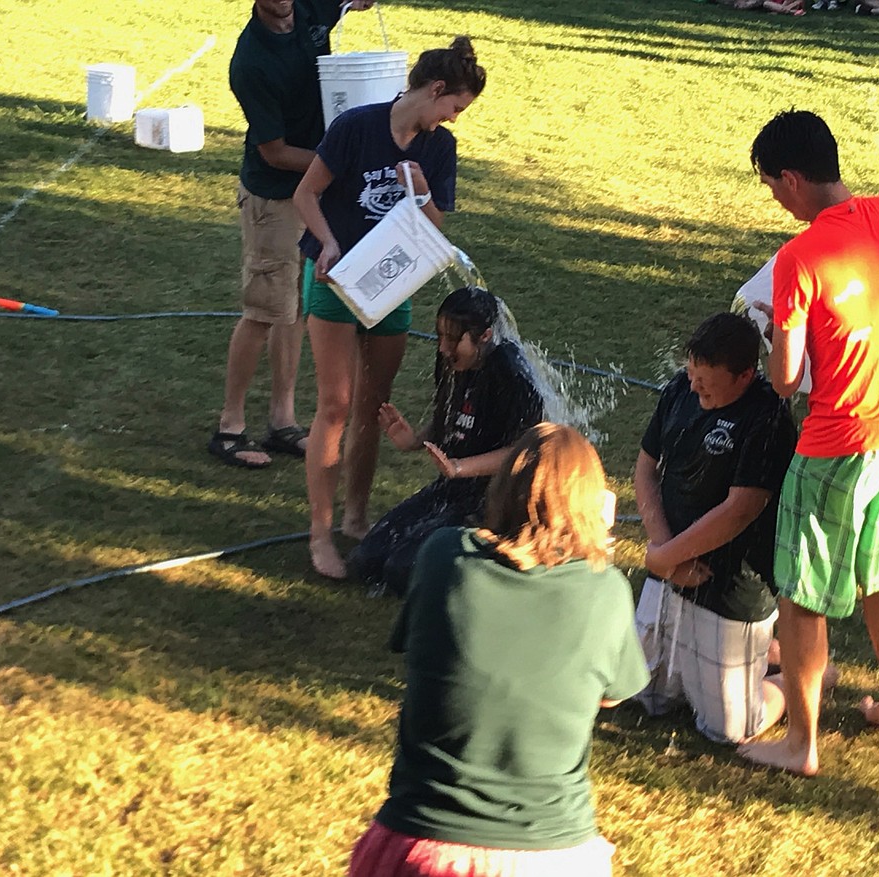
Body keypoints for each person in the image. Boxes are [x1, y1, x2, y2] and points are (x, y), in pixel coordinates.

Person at [739, 110, 879, 776]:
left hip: (839, 439)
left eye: (773, 187)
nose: (776, 201)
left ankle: (799, 743)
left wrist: (779, 325)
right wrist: (877, 287)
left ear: (792, 177)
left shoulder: (800, 257)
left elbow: (783, 379)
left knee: (803, 586)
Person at [347, 423, 649, 877]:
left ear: (503, 487)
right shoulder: (605, 589)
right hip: (552, 851)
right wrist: (596, 550)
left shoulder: (443, 556)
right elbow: (612, 694)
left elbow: (410, 644)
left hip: (422, 838)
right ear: (592, 504)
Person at [293, 38, 487, 578]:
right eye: (456, 107)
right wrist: (327, 243)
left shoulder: (437, 148)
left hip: (390, 284)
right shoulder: (356, 126)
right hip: (335, 277)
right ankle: (319, 534)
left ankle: (356, 518)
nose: (455, 118)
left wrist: (423, 192)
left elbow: (435, 228)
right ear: (435, 89)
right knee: (334, 405)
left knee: (372, 407)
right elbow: (305, 196)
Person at [208, 0, 376, 469]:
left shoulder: (312, 8)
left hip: (311, 191)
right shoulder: (251, 62)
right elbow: (275, 152)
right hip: (275, 197)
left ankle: (282, 422)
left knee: (295, 309)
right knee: (263, 311)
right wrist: (339, 163)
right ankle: (229, 428)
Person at [633, 313, 798, 744]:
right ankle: (768, 655)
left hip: (730, 583)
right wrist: (666, 554)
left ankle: (803, 676)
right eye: (691, 372)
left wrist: (666, 559)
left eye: (706, 379)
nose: (694, 386)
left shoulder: (767, 418)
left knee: (727, 728)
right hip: (671, 563)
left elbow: (740, 509)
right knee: (645, 696)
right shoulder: (679, 389)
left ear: (745, 375)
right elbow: (646, 468)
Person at [347, 287, 544, 597]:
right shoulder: (453, 363)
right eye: (440, 337)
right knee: (367, 559)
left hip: (494, 498)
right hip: (453, 487)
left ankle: (493, 558)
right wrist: (413, 440)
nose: (443, 349)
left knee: (402, 571)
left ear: (485, 335)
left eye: (453, 340)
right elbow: (448, 420)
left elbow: (526, 451)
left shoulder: (512, 375)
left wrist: (459, 466)